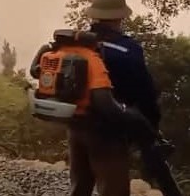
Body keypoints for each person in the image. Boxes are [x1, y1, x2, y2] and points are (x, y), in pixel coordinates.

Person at [30, 29, 156, 196]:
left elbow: (35, 71)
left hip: (75, 127)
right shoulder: (91, 59)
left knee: (80, 185)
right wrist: (137, 121)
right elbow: (104, 103)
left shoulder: (58, 53)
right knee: (113, 188)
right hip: (101, 131)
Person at [85, 0, 161, 129]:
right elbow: (145, 93)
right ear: (121, 17)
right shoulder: (128, 49)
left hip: (77, 127)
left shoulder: (81, 44)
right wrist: (152, 126)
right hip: (109, 129)